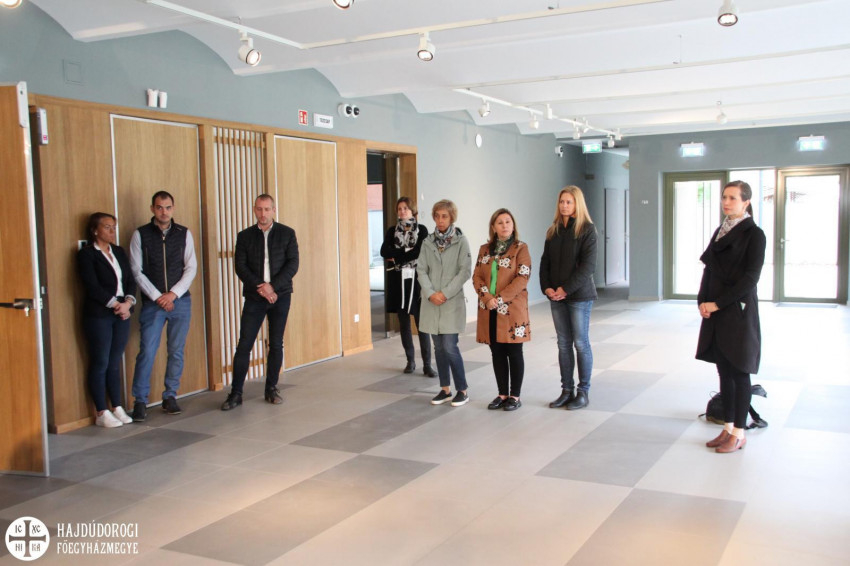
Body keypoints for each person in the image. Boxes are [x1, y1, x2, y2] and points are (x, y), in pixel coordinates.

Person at [697, 180, 766, 454]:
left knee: (739, 372)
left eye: (733, 198)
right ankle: (727, 427)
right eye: (724, 197)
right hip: (715, 309)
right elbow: (709, 269)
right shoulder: (720, 230)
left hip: (737, 310)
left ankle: (739, 432)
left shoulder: (755, 235)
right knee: (723, 370)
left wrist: (717, 304)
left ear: (746, 202)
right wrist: (702, 301)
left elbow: (750, 279)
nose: (726, 202)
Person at [222, 194, 299, 411]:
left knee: (276, 343)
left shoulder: (287, 233)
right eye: (259, 209)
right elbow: (240, 266)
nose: (262, 214)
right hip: (255, 297)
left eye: (266, 209)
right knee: (244, 344)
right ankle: (236, 393)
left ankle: (271, 388)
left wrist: (272, 287)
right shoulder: (245, 236)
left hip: (280, 296)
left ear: (273, 210)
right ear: (254, 210)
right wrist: (261, 287)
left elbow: (293, 264)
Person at [129, 190, 197, 421]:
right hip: (153, 304)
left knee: (176, 351)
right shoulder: (140, 234)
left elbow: (191, 268)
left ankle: (170, 396)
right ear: (152, 209)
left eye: (168, 207)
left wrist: (173, 294)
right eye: (159, 207)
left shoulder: (184, 233)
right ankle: (140, 401)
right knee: (147, 351)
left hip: (181, 302)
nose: (164, 212)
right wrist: (159, 297)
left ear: (173, 208)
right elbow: (136, 271)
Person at [77, 213, 137, 428]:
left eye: (114, 227)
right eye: (107, 227)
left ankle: (117, 406)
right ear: (95, 230)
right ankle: (101, 411)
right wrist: (115, 304)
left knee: (114, 361)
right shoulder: (87, 254)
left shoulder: (118, 251)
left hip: (122, 312)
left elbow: (130, 280)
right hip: (99, 313)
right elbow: (92, 286)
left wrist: (128, 303)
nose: (112, 231)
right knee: (100, 361)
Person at [541, 186, 598, 411]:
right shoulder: (553, 230)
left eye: (569, 202)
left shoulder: (587, 230)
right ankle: (567, 391)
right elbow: (545, 262)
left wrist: (565, 289)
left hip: (579, 296)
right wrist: (547, 288)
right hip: (557, 297)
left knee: (580, 343)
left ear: (577, 204)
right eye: (562, 201)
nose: (564, 205)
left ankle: (583, 392)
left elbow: (588, 267)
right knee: (563, 344)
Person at [472, 209, 531, 411]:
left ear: (513, 225)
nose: (504, 225)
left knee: (514, 351)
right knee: (496, 351)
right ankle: (502, 393)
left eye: (508, 221)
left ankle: (515, 396)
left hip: (512, 308)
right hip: (489, 307)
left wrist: (499, 299)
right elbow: (477, 276)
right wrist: (487, 298)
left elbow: (522, 277)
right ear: (493, 227)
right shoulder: (484, 249)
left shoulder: (521, 248)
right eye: (500, 222)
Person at [417, 199, 472, 407]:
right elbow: (421, 269)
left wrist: (445, 293)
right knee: (438, 348)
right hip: (431, 303)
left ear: (451, 218)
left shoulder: (461, 241)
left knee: (450, 346)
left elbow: (464, 271)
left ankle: (462, 390)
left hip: (450, 302)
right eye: (437, 216)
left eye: (444, 216)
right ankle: (445, 389)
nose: (440, 220)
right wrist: (431, 293)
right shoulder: (427, 242)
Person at [380, 197, 435, 377]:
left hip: (417, 281)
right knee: (404, 323)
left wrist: (397, 257)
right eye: (400, 208)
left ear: (412, 210)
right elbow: (384, 251)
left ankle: (427, 364)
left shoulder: (422, 230)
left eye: (406, 208)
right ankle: (410, 361)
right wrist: (406, 253)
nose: (402, 211)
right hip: (399, 282)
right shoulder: (392, 231)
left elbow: (419, 251)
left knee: (421, 324)